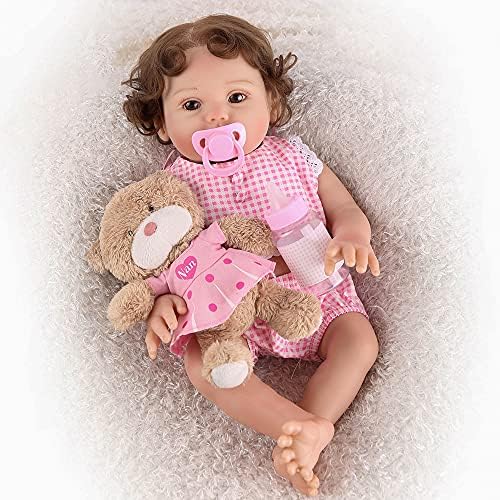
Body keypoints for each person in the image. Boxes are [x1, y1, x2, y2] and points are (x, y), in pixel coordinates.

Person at [122, 13, 380, 497]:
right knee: (200, 361)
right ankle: (290, 424)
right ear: (162, 123)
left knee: (359, 342)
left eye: (237, 98)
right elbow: (164, 260)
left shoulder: (294, 156)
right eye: (192, 105)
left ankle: (311, 426)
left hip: (313, 291)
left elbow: (344, 208)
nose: (217, 117)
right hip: (225, 312)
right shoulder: (172, 186)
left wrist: (351, 236)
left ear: (272, 103)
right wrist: (163, 302)